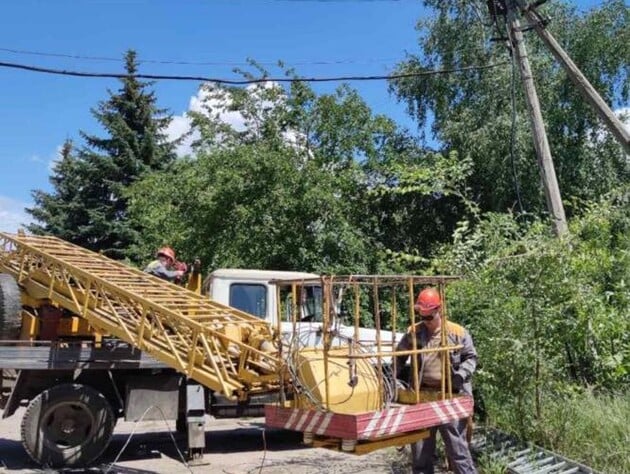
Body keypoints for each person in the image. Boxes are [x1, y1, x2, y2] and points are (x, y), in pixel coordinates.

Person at [395, 287, 477, 474]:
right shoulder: (414, 332)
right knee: (420, 453)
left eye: (429, 317)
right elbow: (398, 356)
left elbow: (471, 357)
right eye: (422, 317)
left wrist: (460, 375)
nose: (426, 322)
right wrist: (392, 380)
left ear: (438, 311)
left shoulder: (457, 332)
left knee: (458, 451)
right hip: (422, 397)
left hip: (450, 397)